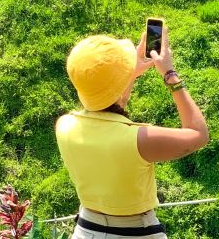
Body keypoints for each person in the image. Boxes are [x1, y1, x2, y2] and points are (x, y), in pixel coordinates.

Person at [56, 26, 209, 239]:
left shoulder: (65, 126)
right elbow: (198, 133)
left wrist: (129, 73)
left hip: (87, 230)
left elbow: (105, 106)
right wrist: (170, 74)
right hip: (137, 232)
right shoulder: (138, 139)